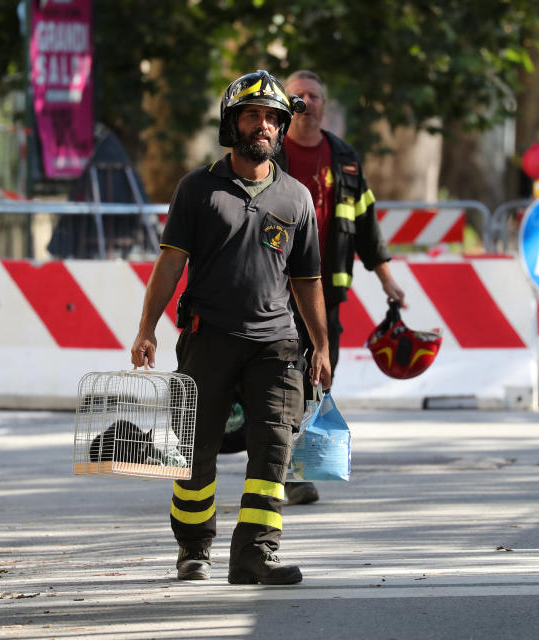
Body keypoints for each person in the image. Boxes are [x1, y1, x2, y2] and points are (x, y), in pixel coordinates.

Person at [130, 70, 332, 585]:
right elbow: (170, 264)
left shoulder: (297, 199)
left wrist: (322, 346)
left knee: (273, 449)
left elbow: (308, 280)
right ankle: (194, 548)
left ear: (281, 128)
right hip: (210, 337)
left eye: (271, 118)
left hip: (278, 345)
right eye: (252, 116)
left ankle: (254, 556)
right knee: (195, 450)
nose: (262, 126)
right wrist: (147, 329)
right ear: (232, 124)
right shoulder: (198, 190)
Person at [276, 69, 407, 505]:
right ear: (286, 104)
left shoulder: (344, 158)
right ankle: (278, 467)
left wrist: (388, 279)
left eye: (314, 96)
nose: (307, 103)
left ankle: (299, 468)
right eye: (298, 96)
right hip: (273, 291)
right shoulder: (270, 152)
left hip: (324, 293)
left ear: (324, 106)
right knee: (278, 379)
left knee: (318, 377)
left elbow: (367, 226)